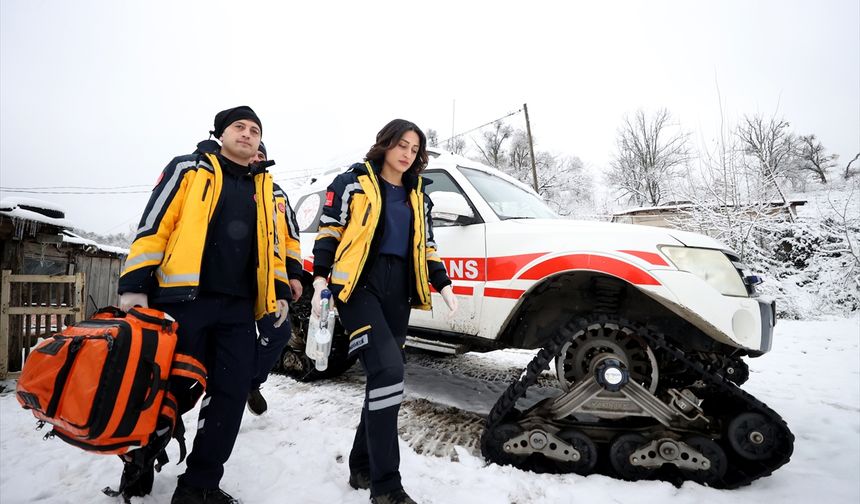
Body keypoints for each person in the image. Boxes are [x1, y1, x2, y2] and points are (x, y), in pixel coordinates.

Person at [118, 106, 290, 504]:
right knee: (167, 390)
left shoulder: (264, 187)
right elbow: (155, 224)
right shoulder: (189, 169)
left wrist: (278, 289)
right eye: (239, 127)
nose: (247, 134)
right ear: (220, 133)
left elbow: (272, 248)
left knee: (229, 395)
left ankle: (199, 485)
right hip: (183, 303)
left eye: (254, 130)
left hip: (239, 309)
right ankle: (137, 463)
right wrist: (135, 284)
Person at [311, 119, 458, 504]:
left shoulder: (418, 194)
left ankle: (361, 466)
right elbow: (330, 229)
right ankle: (386, 486)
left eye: (414, 149)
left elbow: (426, 245)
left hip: (399, 292)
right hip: (359, 286)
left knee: (383, 380)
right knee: (389, 371)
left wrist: (442, 282)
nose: (408, 154)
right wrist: (321, 277)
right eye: (402, 145)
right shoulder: (352, 182)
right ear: (385, 144)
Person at [247, 141, 303, 415]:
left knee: (279, 333)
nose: (256, 158)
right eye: (253, 153)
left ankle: (252, 383)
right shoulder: (230, 184)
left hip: (271, 283)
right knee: (238, 343)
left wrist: (294, 275)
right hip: (234, 283)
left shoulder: (278, 195)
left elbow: (292, 239)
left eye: (261, 154)